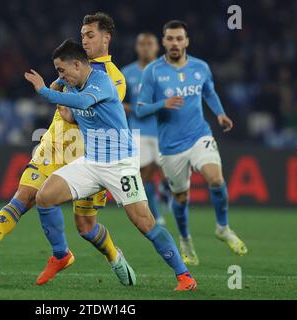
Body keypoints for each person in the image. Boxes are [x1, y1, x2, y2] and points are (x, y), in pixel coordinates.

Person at [0, 12, 134, 287]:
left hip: (86, 155)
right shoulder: (71, 65)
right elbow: (64, 104)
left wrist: (57, 97)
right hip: (53, 146)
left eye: (90, 35)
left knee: (85, 227)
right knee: (25, 195)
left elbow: (77, 112)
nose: (84, 40)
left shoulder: (114, 79)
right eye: (82, 34)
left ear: (106, 38)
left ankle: (113, 256)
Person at [24, 39, 197, 291]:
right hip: (92, 162)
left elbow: (84, 103)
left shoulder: (101, 80)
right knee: (45, 196)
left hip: (120, 164)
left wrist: (44, 90)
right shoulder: (72, 86)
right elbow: (74, 114)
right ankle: (61, 255)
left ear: (77, 64)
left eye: (62, 70)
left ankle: (185, 277)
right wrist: (62, 98)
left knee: (145, 223)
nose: (60, 75)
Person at [136, 20, 248, 265]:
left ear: (186, 41)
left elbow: (208, 91)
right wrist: (161, 105)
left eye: (179, 38)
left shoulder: (201, 67)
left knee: (216, 179)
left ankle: (223, 227)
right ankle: (185, 240)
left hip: (200, 136)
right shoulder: (153, 71)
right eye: (170, 39)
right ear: (163, 42)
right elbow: (141, 109)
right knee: (181, 198)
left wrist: (220, 114)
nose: (175, 43)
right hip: (171, 146)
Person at [122, 32, 171, 226]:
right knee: (142, 175)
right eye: (142, 44)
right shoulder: (127, 73)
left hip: (162, 130)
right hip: (138, 131)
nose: (145, 48)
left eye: (149, 44)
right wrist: (134, 109)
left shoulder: (166, 71)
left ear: (157, 47)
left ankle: (166, 193)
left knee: (168, 174)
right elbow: (119, 102)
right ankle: (155, 214)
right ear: (136, 47)